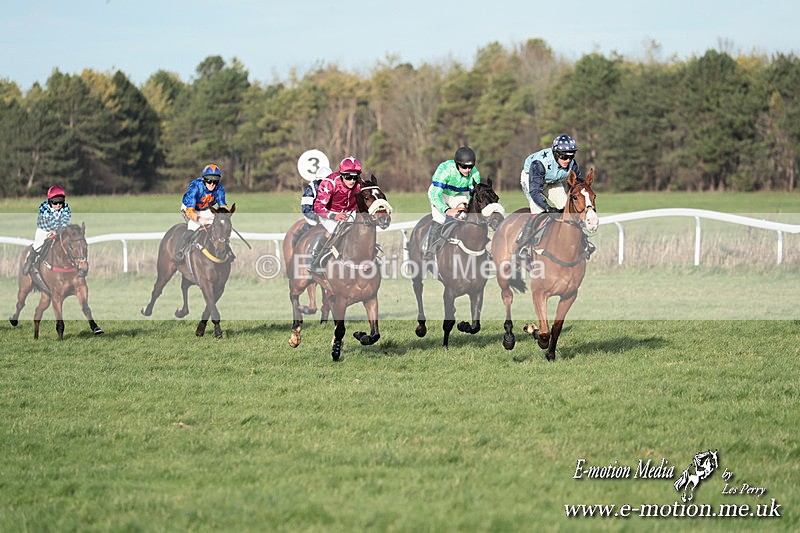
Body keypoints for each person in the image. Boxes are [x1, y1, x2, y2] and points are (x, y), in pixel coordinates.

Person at [516, 134, 591, 261]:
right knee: (539, 211)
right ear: (556, 154)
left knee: (566, 207)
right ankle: (523, 245)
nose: (568, 160)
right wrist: (548, 208)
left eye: (571, 156)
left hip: (552, 180)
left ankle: (582, 241)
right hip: (532, 179)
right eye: (564, 156)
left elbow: (578, 184)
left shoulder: (572, 164)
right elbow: (535, 192)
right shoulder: (538, 164)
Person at [307, 157, 362, 273]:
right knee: (334, 230)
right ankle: (313, 258)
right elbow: (318, 207)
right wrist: (334, 216)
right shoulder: (330, 182)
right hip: (328, 213)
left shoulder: (359, 185)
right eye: (348, 176)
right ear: (341, 174)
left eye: (355, 176)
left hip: (349, 213)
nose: (352, 180)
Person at [424, 146, 481, 259]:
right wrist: (447, 210)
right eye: (464, 166)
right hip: (440, 194)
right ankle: (428, 251)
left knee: (466, 216)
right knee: (440, 219)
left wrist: (467, 209)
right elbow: (435, 195)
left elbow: (472, 197)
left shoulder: (475, 174)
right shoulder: (445, 169)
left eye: (471, 166)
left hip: (457, 195)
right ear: (457, 164)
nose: (468, 170)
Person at [173, 163, 231, 263]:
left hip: (207, 209)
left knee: (220, 226)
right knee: (193, 226)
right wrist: (199, 219)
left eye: (215, 180)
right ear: (204, 179)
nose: (212, 183)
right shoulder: (195, 187)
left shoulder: (219, 189)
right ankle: (179, 252)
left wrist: (224, 216)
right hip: (190, 209)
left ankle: (227, 251)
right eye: (209, 180)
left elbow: (222, 205)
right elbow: (190, 210)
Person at [22, 185, 72, 275]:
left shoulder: (66, 207)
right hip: (44, 230)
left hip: (59, 230)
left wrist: (59, 230)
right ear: (49, 201)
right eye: (55, 202)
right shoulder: (44, 208)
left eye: (61, 201)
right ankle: (29, 262)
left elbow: (66, 218)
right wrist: (56, 230)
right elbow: (48, 222)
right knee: (38, 244)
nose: (58, 205)